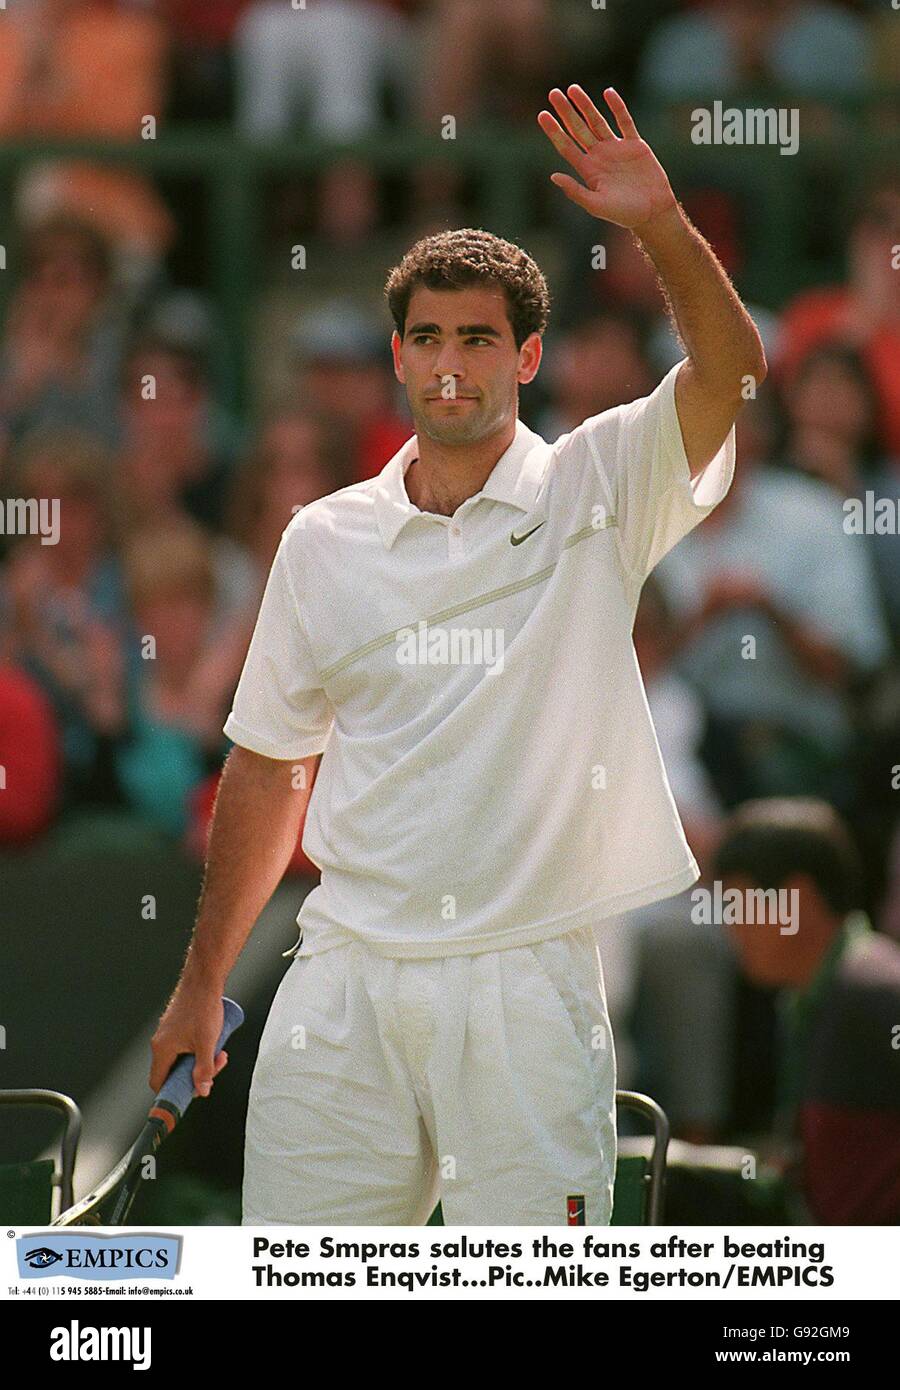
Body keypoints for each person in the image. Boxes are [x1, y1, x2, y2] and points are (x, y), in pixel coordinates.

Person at [150, 84, 766, 1226]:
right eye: (428, 337)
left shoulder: (599, 482)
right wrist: (199, 989)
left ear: (527, 354)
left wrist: (662, 226)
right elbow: (271, 766)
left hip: (528, 985)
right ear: (396, 354)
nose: (450, 363)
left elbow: (730, 374)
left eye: (478, 338)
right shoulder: (321, 537)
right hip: (341, 983)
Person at [715, 798, 900, 1224]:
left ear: (793, 901)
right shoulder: (811, 997)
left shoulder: (875, 992)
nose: (731, 930)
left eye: (737, 906)